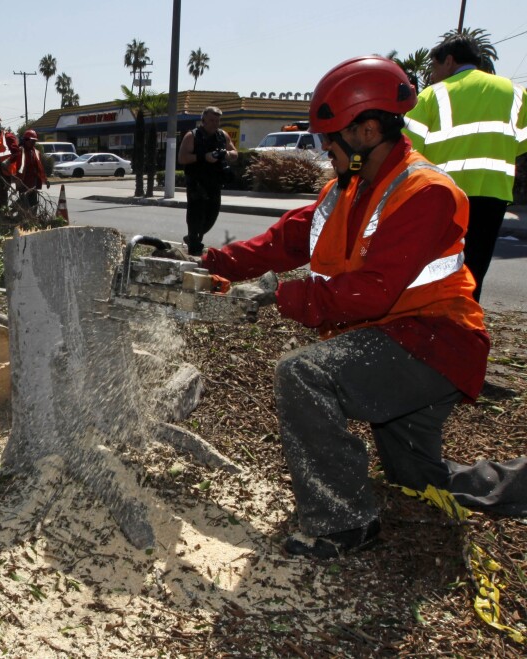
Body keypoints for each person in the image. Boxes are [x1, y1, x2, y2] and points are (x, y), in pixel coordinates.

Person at [178, 56, 527, 559]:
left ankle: (342, 522)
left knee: (302, 374)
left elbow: (372, 292)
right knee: (418, 478)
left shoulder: (425, 192)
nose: (324, 151)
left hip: (435, 343)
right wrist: (208, 262)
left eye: (329, 140)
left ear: (366, 130)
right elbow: (284, 242)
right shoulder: (346, 187)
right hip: (397, 342)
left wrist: (281, 296)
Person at [404, 34, 527, 301]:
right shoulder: (515, 92)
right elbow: (522, 142)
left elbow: (408, 148)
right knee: (475, 268)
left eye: (434, 67)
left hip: (445, 195)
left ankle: (436, 323)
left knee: (438, 267)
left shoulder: (433, 95)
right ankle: (465, 325)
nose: (433, 74)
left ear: (449, 61)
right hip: (494, 194)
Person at [177, 106, 237, 256]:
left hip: (215, 181)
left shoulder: (222, 135)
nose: (215, 123)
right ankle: (194, 244)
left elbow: (235, 152)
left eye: (217, 120)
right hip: (196, 180)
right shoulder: (192, 136)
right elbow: (182, 158)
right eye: (211, 120)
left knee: (212, 214)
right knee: (196, 213)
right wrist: (204, 156)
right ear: (203, 120)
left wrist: (227, 154)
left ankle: (193, 237)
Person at [15, 129, 49, 212]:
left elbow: (40, 168)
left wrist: (45, 180)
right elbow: (16, 168)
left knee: (33, 205)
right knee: (24, 206)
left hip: (33, 184)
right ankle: (22, 221)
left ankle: (32, 222)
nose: (33, 143)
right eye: (32, 141)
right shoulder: (20, 151)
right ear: (26, 140)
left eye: (34, 141)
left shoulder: (36, 152)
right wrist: (17, 180)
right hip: (23, 183)